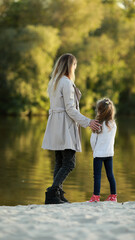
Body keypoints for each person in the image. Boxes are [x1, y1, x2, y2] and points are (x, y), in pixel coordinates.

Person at [42, 53, 100, 204]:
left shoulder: (54, 81)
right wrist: (88, 122)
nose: (76, 68)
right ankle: (52, 193)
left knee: (60, 162)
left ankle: (58, 194)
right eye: (75, 65)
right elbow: (70, 109)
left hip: (56, 125)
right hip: (64, 126)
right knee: (69, 163)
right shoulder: (66, 82)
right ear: (70, 66)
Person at [88, 98, 117, 202]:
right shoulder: (113, 124)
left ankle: (96, 197)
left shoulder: (97, 124)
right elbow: (111, 139)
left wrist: (94, 150)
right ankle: (113, 196)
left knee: (97, 176)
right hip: (109, 153)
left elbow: (93, 140)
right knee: (110, 175)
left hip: (99, 154)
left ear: (99, 111)